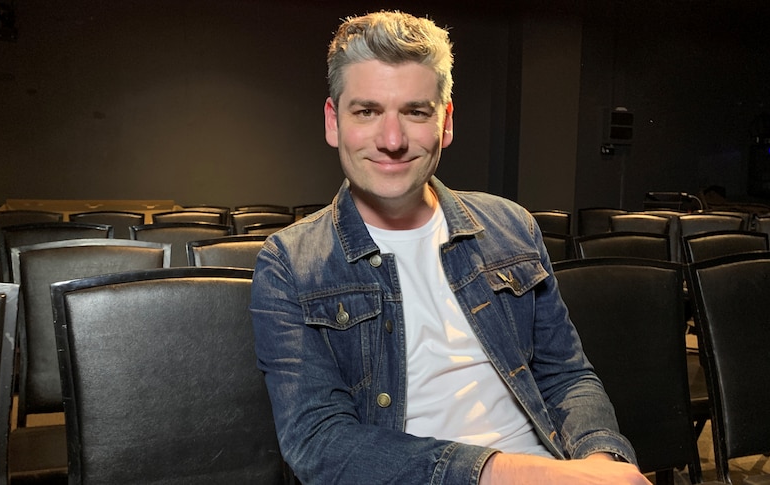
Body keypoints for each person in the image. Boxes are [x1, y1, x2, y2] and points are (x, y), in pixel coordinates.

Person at [250, 10, 651, 485]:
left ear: (445, 122)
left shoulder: (511, 226)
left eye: (416, 112)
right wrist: (515, 474)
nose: (392, 140)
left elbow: (567, 376)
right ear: (334, 122)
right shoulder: (290, 264)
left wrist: (599, 465)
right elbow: (321, 442)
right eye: (367, 111)